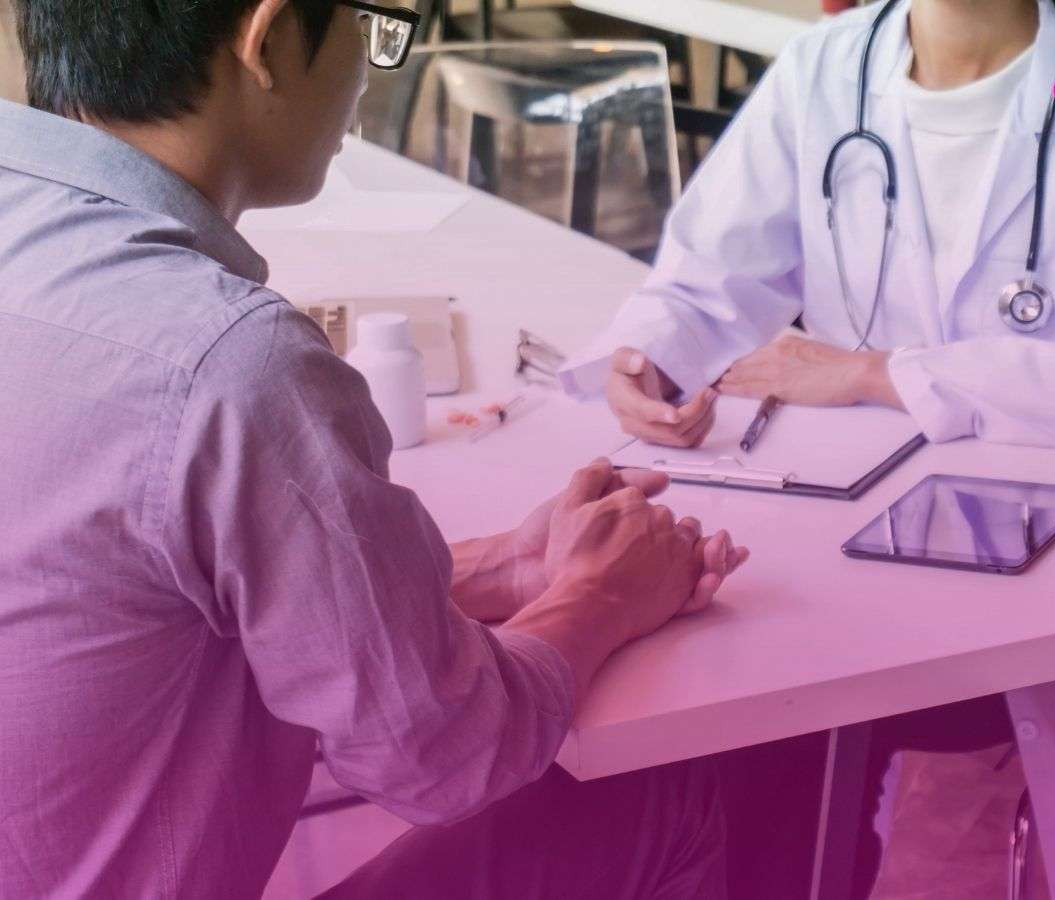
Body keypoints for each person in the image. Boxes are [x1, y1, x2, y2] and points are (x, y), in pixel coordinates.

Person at [0, 1, 753, 898]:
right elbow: (440, 757)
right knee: (669, 796)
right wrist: (603, 598)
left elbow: (134, 591)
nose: (368, 66)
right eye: (368, 20)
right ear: (270, 39)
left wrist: (498, 565)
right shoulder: (226, 361)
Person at [559, 0, 1055, 897]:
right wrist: (652, 357)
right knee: (751, 730)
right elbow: (711, 272)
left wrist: (869, 373)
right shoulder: (831, 65)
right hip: (860, 530)